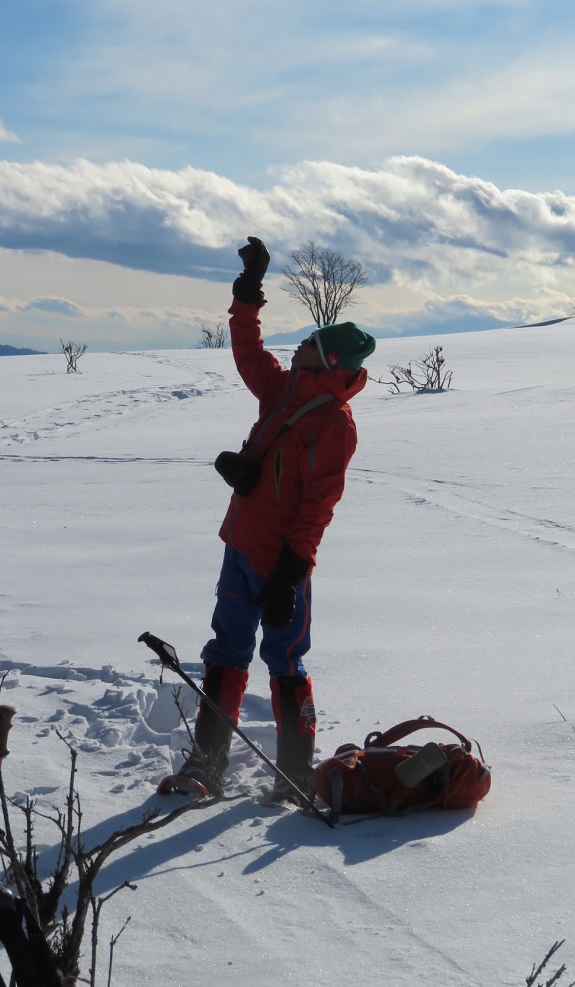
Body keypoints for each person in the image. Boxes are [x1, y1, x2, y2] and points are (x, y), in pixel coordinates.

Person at [159, 237, 376, 803]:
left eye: (310, 341)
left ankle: (295, 774)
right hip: (240, 547)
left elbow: (318, 504)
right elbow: (249, 353)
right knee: (224, 653)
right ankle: (206, 766)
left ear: (327, 360)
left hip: (282, 564)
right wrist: (249, 291)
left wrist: (290, 570)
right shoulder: (284, 391)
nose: (301, 341)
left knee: (285, 661)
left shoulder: (335, 424)